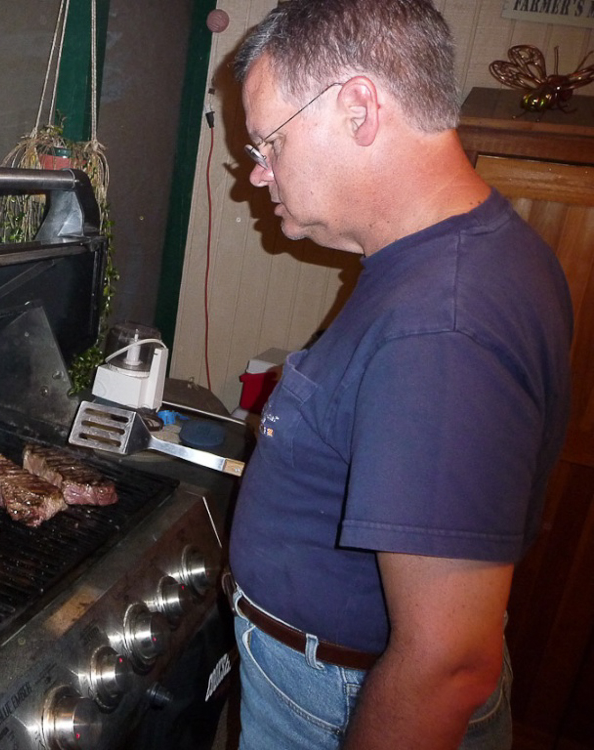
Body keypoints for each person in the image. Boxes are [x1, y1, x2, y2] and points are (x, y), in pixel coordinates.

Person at [225, 1, 574, 749]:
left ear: (358, 107)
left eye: (268, 143)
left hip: (344, 700)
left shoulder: (443, 323)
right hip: (336, 677)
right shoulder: (457, 251)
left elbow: (447, 663)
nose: (256, 175)